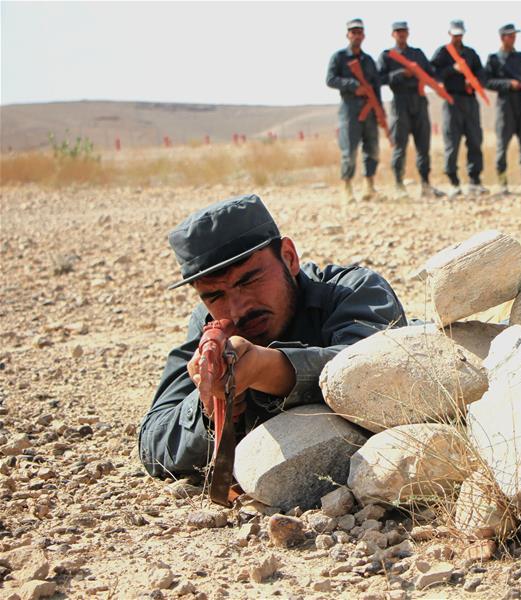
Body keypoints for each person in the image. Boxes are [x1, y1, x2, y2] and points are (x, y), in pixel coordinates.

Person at [138, 194, 406, 477]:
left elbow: (380, 374)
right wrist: (208, 407)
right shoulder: (211, 325)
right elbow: (153, 442)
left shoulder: (353, 290)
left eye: (249, 280)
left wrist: (268, 369)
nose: (238, 308)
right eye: (215, 295)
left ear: (289, 258)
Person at [377, 21, 444, 199]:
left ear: (408, 33)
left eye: (404, 31)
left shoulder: (417, 54)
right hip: (400, 102)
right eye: (398, 31)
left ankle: (426, 184)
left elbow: (431, 73)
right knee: (400, 146)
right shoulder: (387, 56)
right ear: (393, 34)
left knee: (423, 145)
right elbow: (379, 78)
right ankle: (399, 185)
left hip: (419, 100)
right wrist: (400, 74)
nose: (401, 34)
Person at [484, 23, 521, 194]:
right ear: (502, 37)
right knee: (502, 145)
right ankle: (502, 182)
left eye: (514, 35)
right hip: (505, 105)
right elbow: (487, 82)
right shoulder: (494, 59)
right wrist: (508, 84)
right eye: (510, 35)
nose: (513, 38)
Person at [326, 18, 383, 201]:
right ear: (348, 35)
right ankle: (347, 187)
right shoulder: (339, 57)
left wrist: (380, 111)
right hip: (350, 109)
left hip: (370, 110)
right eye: (353, 32)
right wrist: (352, 85)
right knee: (349, 150)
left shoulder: (368, 60)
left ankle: (369, 185)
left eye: (359, 32)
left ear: (363, 35)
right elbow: (330, 79)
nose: (356, 35)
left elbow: (376, 88)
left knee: (372, 148)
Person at [431, 19, 488, 197]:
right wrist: (452, 69)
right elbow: (433, 72)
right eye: (454, 35)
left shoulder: (471, 53)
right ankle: (453, 181)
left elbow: (482, 73)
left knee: (475, 139)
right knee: (452, 142)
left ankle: (475, 180)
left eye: (460, 35)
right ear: (449, 34)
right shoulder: (442, 53)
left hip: (470, 101)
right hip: (452, 100)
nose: (457, 38)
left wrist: (475, 82)